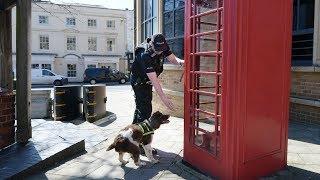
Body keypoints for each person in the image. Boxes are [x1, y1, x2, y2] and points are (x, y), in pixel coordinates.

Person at [130, 34, 184, 154]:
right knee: (145, 111)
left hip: (147, 82)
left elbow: (173, 59)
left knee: (141, 108)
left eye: (162, 50)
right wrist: (164, 99)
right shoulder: (144, 55)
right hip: (140, 83)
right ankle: (140, 146)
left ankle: (132, 137)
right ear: (152, 45)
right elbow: (155, 81)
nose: (160, 52)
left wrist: (182, 62)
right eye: (157, 50)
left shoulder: (162, 46)